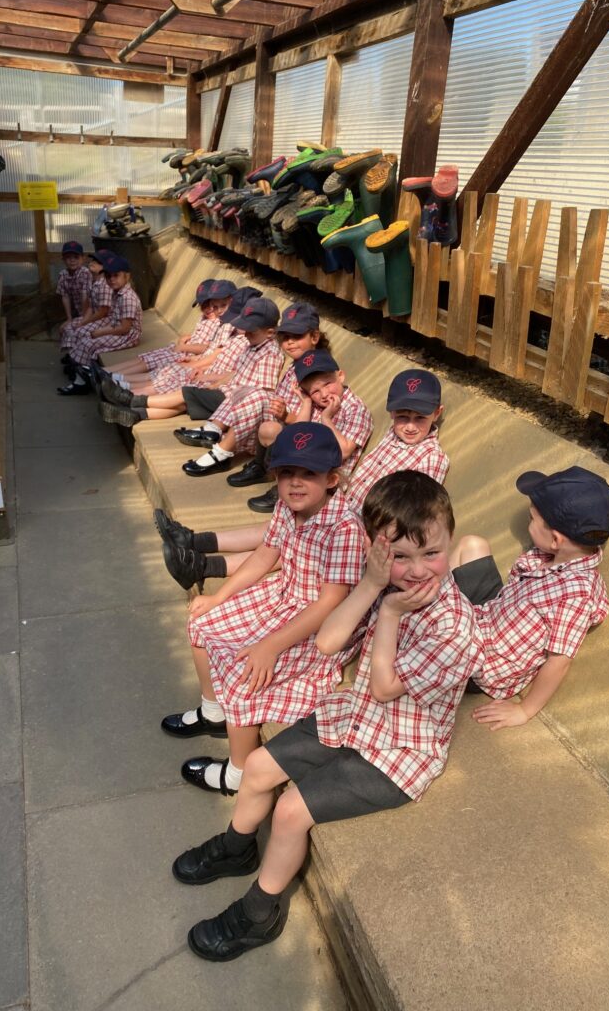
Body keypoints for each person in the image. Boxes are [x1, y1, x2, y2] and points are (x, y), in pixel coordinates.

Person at [170, 470, 483, 961]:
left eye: (431, 553)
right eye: (398, 556)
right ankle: (237, 846)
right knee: (256, 768)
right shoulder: (386, 586)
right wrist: (374, 585)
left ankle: (261, 910)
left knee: (292, 810)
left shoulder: (454, 626)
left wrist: (390, 613)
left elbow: (383, 688)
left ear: (451, 540)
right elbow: (328, 641)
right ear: (378, 552)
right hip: (353, 717)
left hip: (399, 753)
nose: (418, 569)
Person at [161, 422, 365, 799]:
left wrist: (270, 645)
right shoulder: (288, 509)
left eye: (309, 474)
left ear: (333, 478)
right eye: (287, 472)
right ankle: (213, 711)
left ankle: (238, 771)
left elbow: (330, 601)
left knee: (245, 673)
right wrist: (219, 598)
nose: (296, 483)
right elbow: (264, 556)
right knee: (202, 623)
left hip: (317, 622)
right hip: (283, 594)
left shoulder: (344, 527)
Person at [156, 368, 447, 590]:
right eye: (401, 416)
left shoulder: (431, 457)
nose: (409, 426)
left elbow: (409, 511)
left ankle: (204, 566)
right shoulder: (394, 437)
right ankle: (193, 540)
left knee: (294, 546)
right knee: (278, 525)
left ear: (437, 414)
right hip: (344, 507)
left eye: (419, 418)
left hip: (366, 528)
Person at [450, 465, 609, 730]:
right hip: (490, 613)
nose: (528, 523)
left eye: (532, 519)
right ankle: (432, 600)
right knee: (472, 544)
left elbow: (559, 661)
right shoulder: (554, 556)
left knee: (418, 633)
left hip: (483, 661)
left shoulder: (574, 596)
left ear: (555, 539)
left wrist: (524, 710)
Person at [172, 301, 332, 484]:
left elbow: (313, 421)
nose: (290, 342)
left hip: (298, 436)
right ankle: (254, 462)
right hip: (275, 426)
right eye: (286, 337)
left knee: (257, 394)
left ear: (315, 337)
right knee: (251, 394)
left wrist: (286, 415)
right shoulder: (297, 363)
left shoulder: (317, 369)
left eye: (297, 336)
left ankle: (221, 453)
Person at [176, 331, 370, 480]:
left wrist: (327, 418)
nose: (325, 394)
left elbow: (344, 451)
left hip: (322, 472)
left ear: (341, 376)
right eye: (316, 391)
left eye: (328, 384)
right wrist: (307, 402)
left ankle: (222, 449)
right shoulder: (312, 395)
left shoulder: (355, 408)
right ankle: (256, 465)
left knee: (258, 398)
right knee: (263, 414)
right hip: (301, 454)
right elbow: (301, 430)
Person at [99, 296, 283, 430]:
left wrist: (214, 383)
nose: (247, 333)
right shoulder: (252, 346)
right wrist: (215, 383)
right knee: (184, 403)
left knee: (185, 393)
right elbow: (235, 373)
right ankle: (135, 413)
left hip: (234, 401)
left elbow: (261, 391)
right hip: (225, 391)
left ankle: (131, 399)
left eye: (252, 330)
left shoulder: (270, 353)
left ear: (270, 333)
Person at [100, 278, 236, 394]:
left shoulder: (219, 322)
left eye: (210, 305)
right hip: (184, 352)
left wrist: (185, 347)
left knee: (157, 370)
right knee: (145, 359)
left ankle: (117, 382)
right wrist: (186, 341)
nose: (207, 309)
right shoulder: (207, 319)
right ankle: (108, 374)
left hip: (186, 355)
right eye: (203, 306)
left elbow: (207, 347)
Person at [58, 255, 143, 396]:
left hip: (128, 336)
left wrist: (101, 332)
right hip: (118, 329)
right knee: (86, 340)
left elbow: (125, 328)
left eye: (116, 276)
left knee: (88, 343)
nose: (112, 280)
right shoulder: (118, 293)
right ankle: (82, 374)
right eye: (109, 276)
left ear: (127, 276)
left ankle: (82, 381)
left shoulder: (128, 298)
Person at [59, 250, 113, 356]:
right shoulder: (94, 282)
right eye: (93, 260)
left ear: (105, 267)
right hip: (95, 316)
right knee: (69, 328)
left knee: (80, 331)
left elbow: (103, 311)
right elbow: (91, 307)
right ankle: (73, 356)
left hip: (106, 319)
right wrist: (83, 321)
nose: (92, 262)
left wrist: (84, 323)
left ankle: (81, 362)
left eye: (97, 262)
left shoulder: (105, 285)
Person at [55, 240, 92, 340]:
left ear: (83, 259)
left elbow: (86, 296)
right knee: (64, 329)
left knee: (76, 329)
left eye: (76, 257)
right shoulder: (63, 274)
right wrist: (69, 318)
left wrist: (84, 319)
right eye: (68, 257)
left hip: (90, 310)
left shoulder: (85, 273)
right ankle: (71, 352)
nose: (72, 260)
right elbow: (65, 296)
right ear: (63, 259)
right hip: (76, 310)